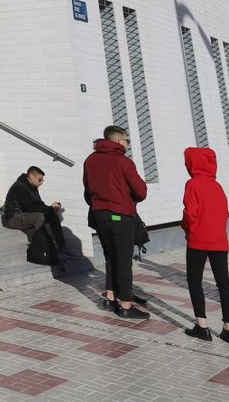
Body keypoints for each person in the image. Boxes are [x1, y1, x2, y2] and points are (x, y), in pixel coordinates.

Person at [83, 125, 149, 319]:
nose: (128, 144)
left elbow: (87, 189)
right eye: (127, 140)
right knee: (123, 258)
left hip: (99, 214)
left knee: (111, 255)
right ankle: (126, 304)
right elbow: (141, 191)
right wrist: (127, 199)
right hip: (120, 215)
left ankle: (111, 297)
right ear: (119, 140)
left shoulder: (90, 160)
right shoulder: (123, 162)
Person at [181, 147, 229, 343]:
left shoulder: (192, 184)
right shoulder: (217, 186)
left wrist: (185, 226)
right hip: (219, 240)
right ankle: (228, 329)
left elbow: (190, 213)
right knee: (223, 283)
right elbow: (225, 213)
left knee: (195, 281)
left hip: (198, 239)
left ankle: (202, 326)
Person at [2, 166, 64, 261]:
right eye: (40, 180)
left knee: (52, 215)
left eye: (42, 180)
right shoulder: (19, 187)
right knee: (38, 216)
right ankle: (44, 249)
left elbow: (40, 204)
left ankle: (63, 248)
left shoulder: (33, 187)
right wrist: (50, 208)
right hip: (13, 217)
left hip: (26, 215)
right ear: (31, 176)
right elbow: (30, 208)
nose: (42, 182)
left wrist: (51, 209)